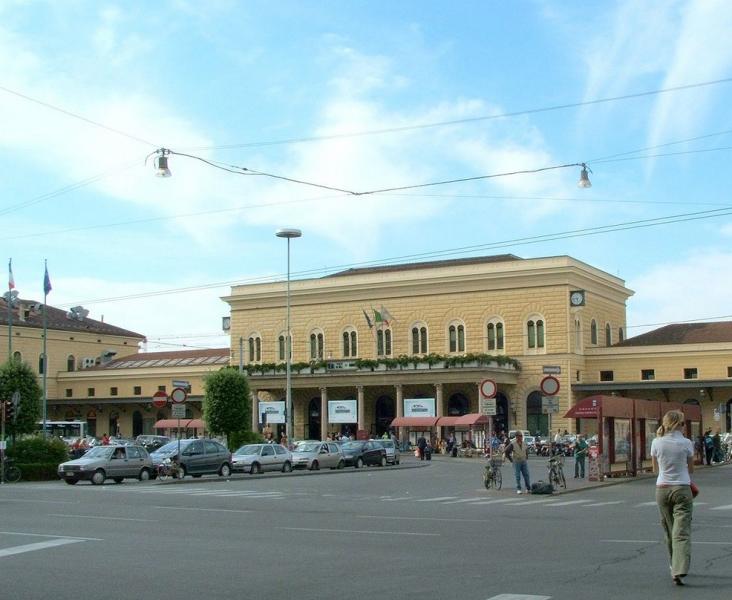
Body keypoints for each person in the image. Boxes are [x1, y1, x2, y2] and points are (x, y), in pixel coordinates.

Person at [651, 409, 695, 586]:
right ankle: (680, 568)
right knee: (681, 531)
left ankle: (673, 565)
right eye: (683, 424)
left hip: (662, 489)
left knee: (669, 529)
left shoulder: (656, 442)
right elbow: (691, 469)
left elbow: (655, 469)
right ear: (679, 425)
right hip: (682, 488)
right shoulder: (686, 443)